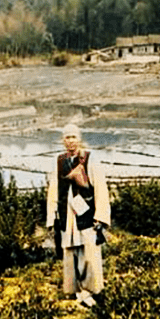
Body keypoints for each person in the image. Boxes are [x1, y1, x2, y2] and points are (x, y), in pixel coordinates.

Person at [46, 124, 110, 308]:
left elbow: (100, 188)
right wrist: (52, 216)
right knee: (70, 252)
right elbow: (53, 189)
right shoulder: (59, 161)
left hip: (86, 214)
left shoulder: (90, 158)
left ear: (79, 139)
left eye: (74, 137)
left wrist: (100, 216)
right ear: (63, 140)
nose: (71, 141)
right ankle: (76, 290)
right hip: (67, 214)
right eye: (67, 137)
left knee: (88, 252)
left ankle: (90, 291)